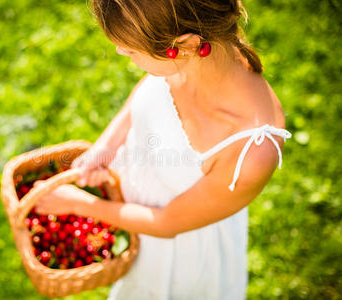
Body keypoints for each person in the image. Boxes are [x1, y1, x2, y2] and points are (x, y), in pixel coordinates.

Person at [34, 0, 292, 299]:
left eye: (130, 50)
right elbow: (152, 89)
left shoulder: (250, 153)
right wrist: (107, 145)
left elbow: (167, 223)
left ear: (184, 45)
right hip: (132, 207)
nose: (120, 52)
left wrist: (81, 205)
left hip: (178, 254)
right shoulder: (204, 51)